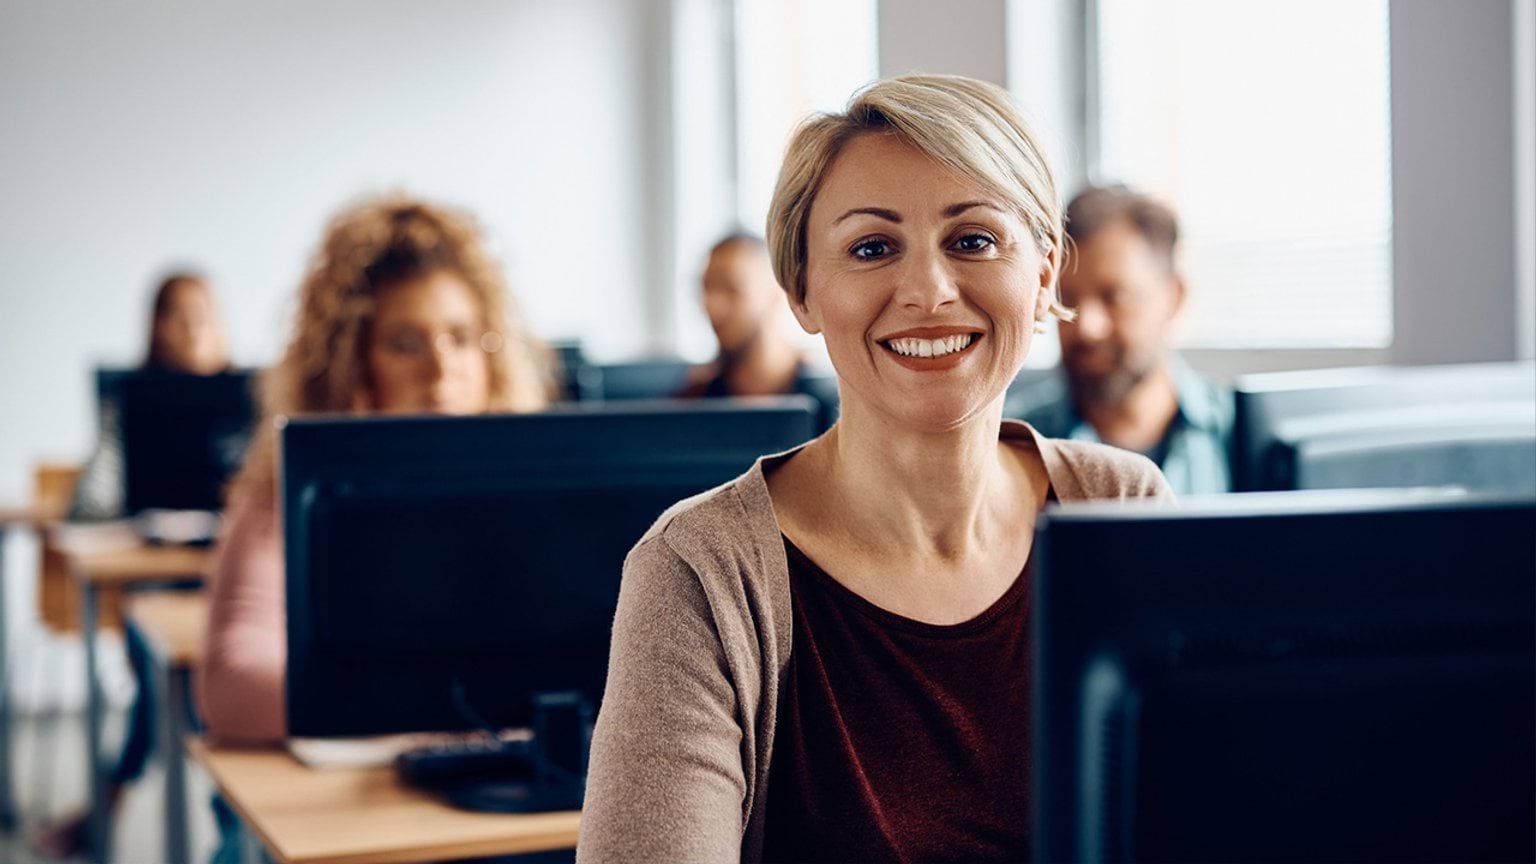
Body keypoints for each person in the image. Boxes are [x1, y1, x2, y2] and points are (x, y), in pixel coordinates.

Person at [578, 75, 1171, 863]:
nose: (928, 291)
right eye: (871, 248)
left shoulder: (1122, 506)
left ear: (1042, 275)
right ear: (802, 292)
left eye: (973, 241)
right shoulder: (701, 574)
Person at [198, 196, 550, 746]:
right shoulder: (288, 493)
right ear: (350, 364)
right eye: (404, 344)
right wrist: (447, 711)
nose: (441, 369)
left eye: (461, 338)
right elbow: (232, 685)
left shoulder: (537, 490)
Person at [34, 271, 230, 860]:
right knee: (165, 671)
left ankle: (108, 806)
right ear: (155, 325)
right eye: (178, 315)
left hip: (224, 571)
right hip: (153, 572)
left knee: (179, 681)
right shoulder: (131, 398)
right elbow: (89, 502)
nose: (192, 328)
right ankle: (222, 826)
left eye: (203, 314)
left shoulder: (248, 395)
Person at [1009, 185, 1233, 494]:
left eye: (1115, 297)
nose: (1086, 326)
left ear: (1174, 297)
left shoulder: (1245, 433)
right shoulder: (1013, 444)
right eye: (1067, 297)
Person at [678, 232, 810, 398]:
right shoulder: (694, 398)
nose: (712, 307)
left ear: (775, 293)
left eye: (731, 289)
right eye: (706, 287)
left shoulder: (830, 400)